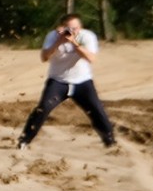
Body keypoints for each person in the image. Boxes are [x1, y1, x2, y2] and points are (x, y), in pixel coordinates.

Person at [17, 12, 116, 150]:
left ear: (80, 27)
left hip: (82, 82)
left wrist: (74, 43)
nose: (72, 31)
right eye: (69, 28)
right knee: (43, 108)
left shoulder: (87, 36)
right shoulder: (53, 36)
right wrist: (59, 42)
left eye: (75, 28)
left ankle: (110, 142)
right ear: (62, 27)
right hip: (58, 81)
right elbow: (44, 57)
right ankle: (24, 141)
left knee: (96, 110)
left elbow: (91, 58)